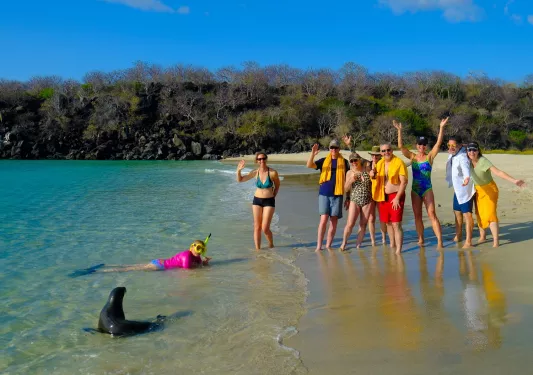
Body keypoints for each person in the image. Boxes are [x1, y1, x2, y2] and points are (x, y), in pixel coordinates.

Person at [393, 117, 449, 248]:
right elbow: (401, 147)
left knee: (431, 214)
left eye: (424, 145)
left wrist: (441, 127)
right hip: (415, 190)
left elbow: (438, 144)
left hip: (427, 188)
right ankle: (421, 239)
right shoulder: (412, 157)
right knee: (417, 216)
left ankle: (440, 241)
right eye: (419, 144)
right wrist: (399, 131)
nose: (421, 147)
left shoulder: (429, 157)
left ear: (426, 146)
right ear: (416, 146)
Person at [466, 142, 525, 247]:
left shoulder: (483, 161)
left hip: (490, 190)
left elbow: (498, 172)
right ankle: (482, 237)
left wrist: (514, 181)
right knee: (479, 214)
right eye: (469, 150)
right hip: (478, 190)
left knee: (490, 214)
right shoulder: (467, 161)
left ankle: (496, 241)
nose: (472, 152)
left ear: (478, 151)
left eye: (474, 150)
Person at [75, 237, 212, 274]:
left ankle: (104, 266)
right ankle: (97, 271)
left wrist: (204, 263)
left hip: (160, 262)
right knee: (129, 269)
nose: (198, 252)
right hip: (159, 266)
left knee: (129, 267)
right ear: (192, 247)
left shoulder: (195, 255)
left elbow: (198, 265)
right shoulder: (187, 256)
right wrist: (201, 267)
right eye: (197, 249)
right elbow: (188, 270)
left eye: (201, 250)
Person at [342, 136, 387, 246]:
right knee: (368, 220)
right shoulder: (367, 164)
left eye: (377, 155)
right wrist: (349, 145)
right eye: (373, 155)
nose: (375, 157)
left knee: (379, 219)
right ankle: (371, 241)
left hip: (378, 195)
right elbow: (355, 156)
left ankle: (383, 239)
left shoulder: (384, 164)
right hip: (365, 197)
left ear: (380, 156)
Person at [306, 139, 350, 251]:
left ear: (339, 149)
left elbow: (348, 180)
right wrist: (312, 154)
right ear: (329, 149)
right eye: (331, 148)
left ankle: (328, 245)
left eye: (335, 148)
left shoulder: (344, 162)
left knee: (334, 220)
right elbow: (309, 165)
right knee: (324, 219)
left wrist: (348, 197)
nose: (333, 150)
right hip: (324, 193)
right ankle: (319, 246)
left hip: (338, 194)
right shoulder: (324, 160)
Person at [236, 152, 281, 250]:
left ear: (266, 159)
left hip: (269, 201)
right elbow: (240, 180)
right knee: (257, 227)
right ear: (257, 161)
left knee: (265, 228)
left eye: (263, 158)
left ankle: (271, 244)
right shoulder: (255, 172)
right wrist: (238, 170)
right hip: (256, 201)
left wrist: (274, 195)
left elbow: (277, 185)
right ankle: (258, 250)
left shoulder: (273, 172)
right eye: (259, 159)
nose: (262, 161)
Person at [370, 142, 408, 254]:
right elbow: (375, 177)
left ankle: (398, 251)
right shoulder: (379, 163)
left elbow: (404, 182)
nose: (386, 152)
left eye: (388, 150)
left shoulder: (398, 162)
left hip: (396, 195)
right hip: (383, 196)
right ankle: (392, 245)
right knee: (388, 223)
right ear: (380, 153)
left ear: (392, 150)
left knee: (396, 224)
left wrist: (397, 198)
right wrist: (372, 175)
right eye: (383, 151)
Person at [445, 136, 475, 248]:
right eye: (449, 145)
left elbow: (465, 167)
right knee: (457, 211)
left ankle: (469, 241)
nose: (451, 147)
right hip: (457, 190)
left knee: (467, 215)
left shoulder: (462, 156)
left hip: (465, 190)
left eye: (453, 145)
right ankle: (458, 235)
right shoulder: (453, 154)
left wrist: (467, 177)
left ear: (459, 145)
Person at [340, 152, 373, 250]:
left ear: (359, 160)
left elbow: (373, 177)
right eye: (352, 161)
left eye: (356, 160)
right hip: (355, 199)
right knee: (350, 223)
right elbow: (345, 189)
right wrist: (351, 180)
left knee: (363, 224)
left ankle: (358, 245)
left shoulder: (366, 169)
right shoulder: (349, 172)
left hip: (367, 199)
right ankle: (344, 243)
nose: (354, 162)